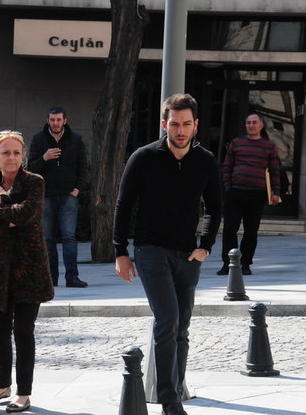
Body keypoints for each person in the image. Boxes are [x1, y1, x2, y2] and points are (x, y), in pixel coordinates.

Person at [113, 94, 222, 415]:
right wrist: (120, 252)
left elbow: (215, 207)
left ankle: (175, 391)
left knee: (182, 327)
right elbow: (123, 205)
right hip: (150, 250)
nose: (181, 130)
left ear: (196, 124)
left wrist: (205, 246)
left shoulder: (205, 160)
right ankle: (169, 402)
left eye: (186, 124)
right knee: (168, 320)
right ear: (165, 124)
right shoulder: (144, 157)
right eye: (174, 124)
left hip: (187, 254)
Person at [0, 130, 55, 413]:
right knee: (0, 331)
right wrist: (7, 217)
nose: (11, 157)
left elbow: (28, 214)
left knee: (23, 331)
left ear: (23, 156)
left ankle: (24, 392)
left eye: (16, 152)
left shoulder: (34, 181)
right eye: (5, 152)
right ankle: (2, 385)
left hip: (29, 269)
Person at [28, 107, 89, 287]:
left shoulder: (75, 139)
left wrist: (76, 190)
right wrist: (44, 158)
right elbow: (30, 169)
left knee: (69, 237)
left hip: (68, 196)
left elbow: (83, 168)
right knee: (48, 239)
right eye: (53, 120)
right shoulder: (38, 139)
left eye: (59, 120)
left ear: (65, 121)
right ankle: (50, 278)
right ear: (47, 120)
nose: (56, 123)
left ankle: (72, 277)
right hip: (46, 196)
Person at [217, 113, 282, 276]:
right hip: (235, 193)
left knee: (251, 231)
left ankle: (245, 264)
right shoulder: (236, 143)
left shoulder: (269, 146)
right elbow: (227, 166)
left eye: (254, 122)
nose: (251, 125)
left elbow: (275, 170)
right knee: (229, 229)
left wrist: (276, 192)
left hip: (257, 194)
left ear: (261, 126)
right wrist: (228, 186)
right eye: (248, 123)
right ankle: (228, 263)